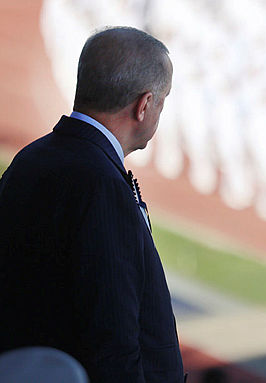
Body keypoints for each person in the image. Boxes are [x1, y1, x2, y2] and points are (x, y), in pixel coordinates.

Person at [0, 26, 183, 382]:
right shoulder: (99, 183)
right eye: (162, 100)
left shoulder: (32, 158)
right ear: (144, 106)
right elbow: (112, 338)